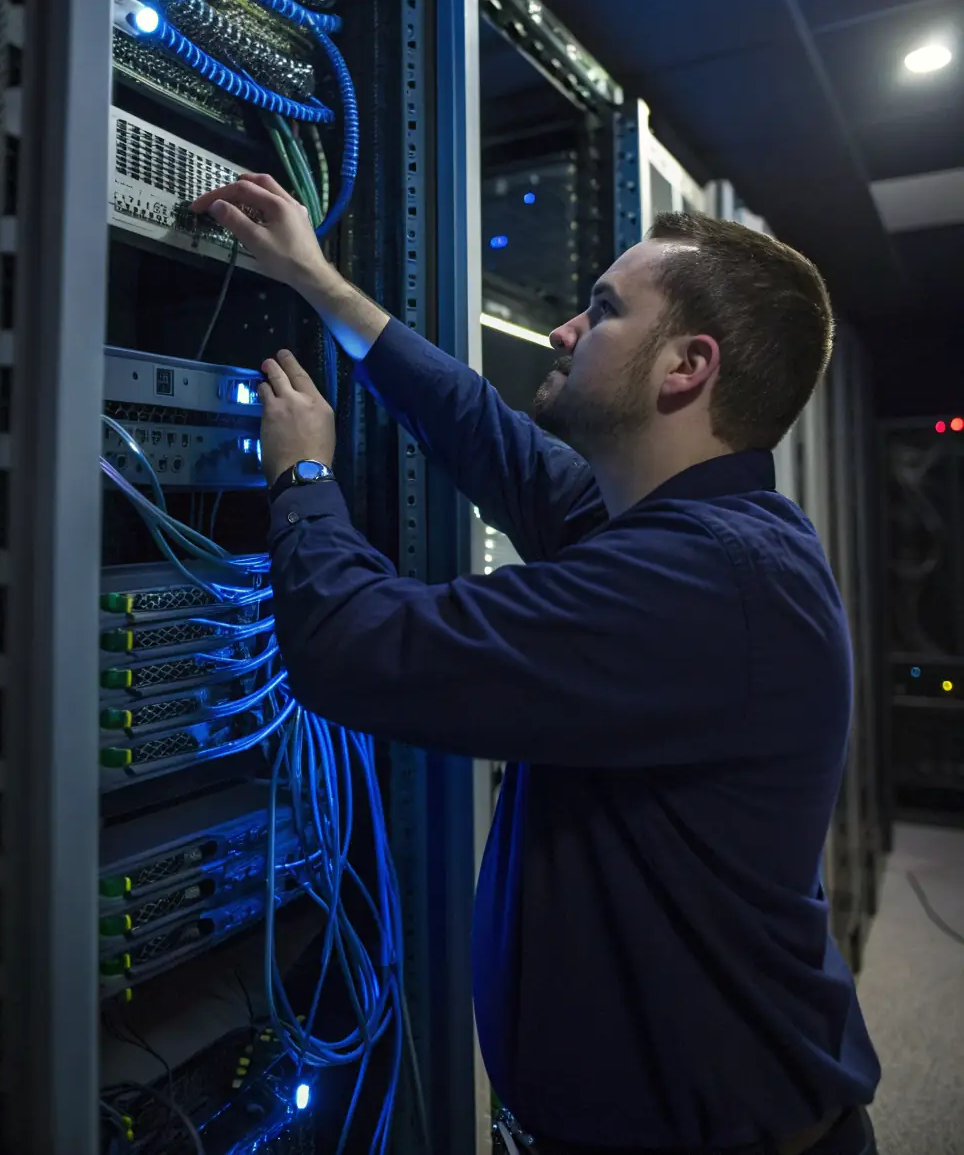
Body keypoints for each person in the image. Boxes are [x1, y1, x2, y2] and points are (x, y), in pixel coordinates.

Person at [191, 174, 881, 1155]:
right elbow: (480, 431)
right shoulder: (694, 530)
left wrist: (303, 477)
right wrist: (316, 282)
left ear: (685, 366)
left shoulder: (706, 580)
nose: (563, 331)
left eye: (601, 311)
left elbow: (355, 648)